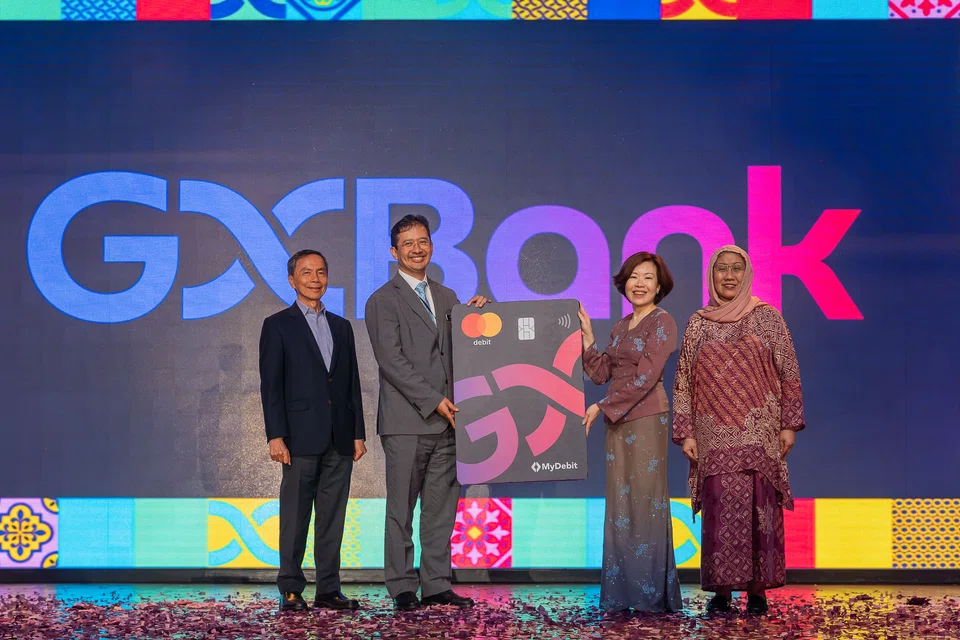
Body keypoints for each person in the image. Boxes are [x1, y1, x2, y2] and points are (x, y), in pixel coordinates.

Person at [364, 215, 489, 611]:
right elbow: (391, 361)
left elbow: (464, 351)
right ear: (393, 252)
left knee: (440, 509)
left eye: (423, 241)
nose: (417, 249)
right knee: (400, 508)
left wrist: (479, 317)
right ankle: (402, 585)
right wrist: (434, 399)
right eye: (407, 243)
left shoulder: (450, 297)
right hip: (407, 421)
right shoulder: (382, 300)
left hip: (450, 422)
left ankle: (436, 582)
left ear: (432, 245)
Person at [672, 245, 805, 615]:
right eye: (721, 269)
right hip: (713, 437)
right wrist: (687, 432)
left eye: (735, 269)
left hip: (759, 436)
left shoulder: (767, 318)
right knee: (719, 510)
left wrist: (789, 425)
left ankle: (757, 590)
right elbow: (683, 379)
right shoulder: (699, 322)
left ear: (746, 275)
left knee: (758, 509)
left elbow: (789, 372)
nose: (728, 276)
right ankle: (722, 591)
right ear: (711, 275)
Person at [259, 249, 367, 612]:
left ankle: (328, 589)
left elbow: (351, 384)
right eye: (306, 272)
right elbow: (271, 385)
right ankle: (290, 586)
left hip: (340, 436)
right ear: (292, 280)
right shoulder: (277, 325)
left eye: (321, 271)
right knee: (295, 516)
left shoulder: (342, 326)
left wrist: (357, 433)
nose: (315, 278)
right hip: (299, 437)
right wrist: (275, 435)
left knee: (333, 518)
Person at [578, 251, 683, 613]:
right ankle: (623, 595)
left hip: (646, 418)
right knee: (621, 508)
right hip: (617, 422)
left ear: (659, 286)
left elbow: (646, 378)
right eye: (634, 276)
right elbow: (602, 373)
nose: (639, 283)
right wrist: (589, 339)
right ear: (624, 283)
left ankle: (650, 595)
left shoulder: (662, 322)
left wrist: (601, 406)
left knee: (645, 503)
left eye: (648, 277)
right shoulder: (622, 326)